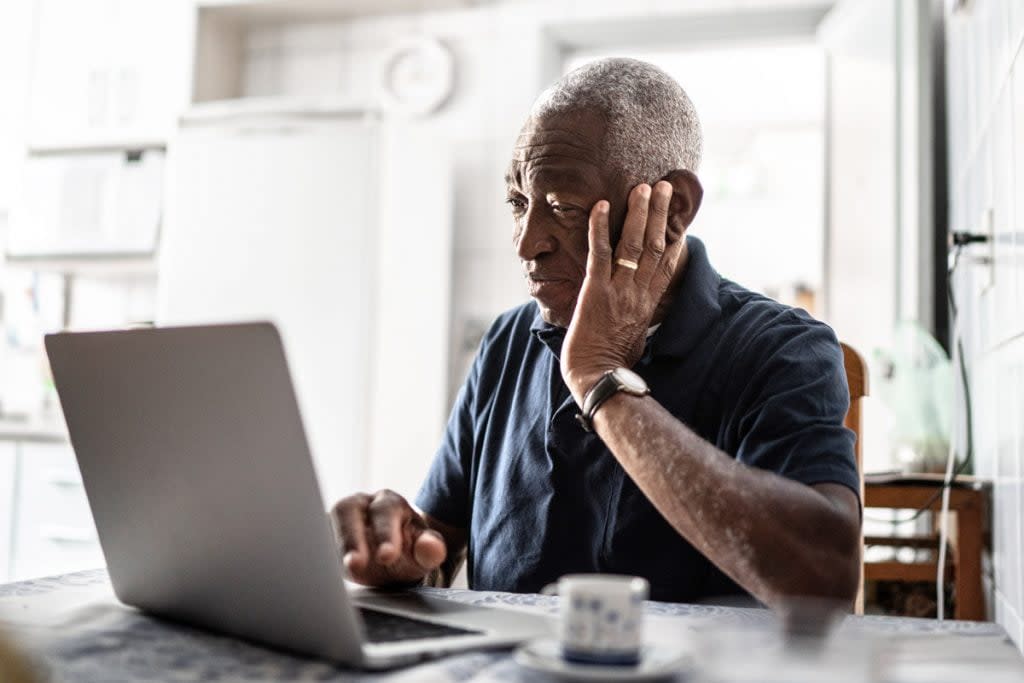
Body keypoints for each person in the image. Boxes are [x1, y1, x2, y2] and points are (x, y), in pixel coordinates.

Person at [331, 58, 861, 608]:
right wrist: (397, 551)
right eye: (518, 202)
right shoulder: (509, 340)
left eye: (561, 207)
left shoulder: (783, 348)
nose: (525, 242)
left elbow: (823, 581)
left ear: (673, 208)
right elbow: (438, 550)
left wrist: (601, 377)